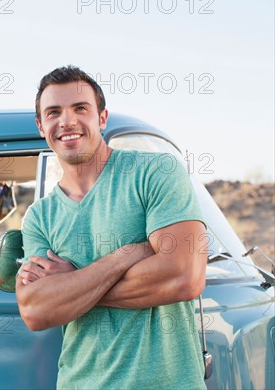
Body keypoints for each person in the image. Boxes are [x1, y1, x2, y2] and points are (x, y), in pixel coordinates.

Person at [16, 65, 207, 389]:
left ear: (102, 118)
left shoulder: (156, 172)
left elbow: (184, 276)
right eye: (53, 112)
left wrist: (72, 284)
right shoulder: (39, 216)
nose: (67, 122)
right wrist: (130, 253)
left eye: (80, 108)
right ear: (40, 125)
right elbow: (37, 310)